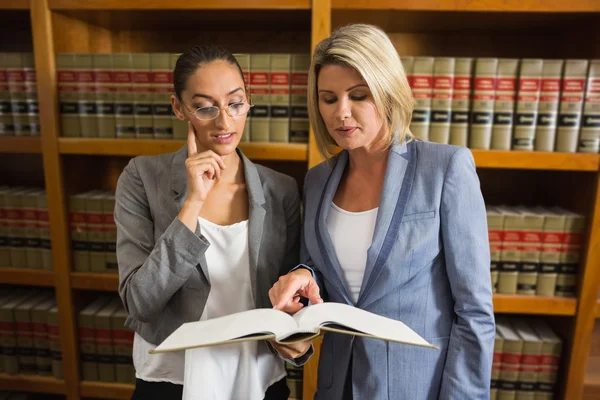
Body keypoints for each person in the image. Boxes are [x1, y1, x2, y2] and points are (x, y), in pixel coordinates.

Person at [269, 24, 495, 399]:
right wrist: (300, 278)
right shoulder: (316, 181)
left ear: (387, 91)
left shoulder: (445, 168)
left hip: (418, 388)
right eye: (328, 98)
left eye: (359, 95)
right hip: (336, 387)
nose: (342, 112)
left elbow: (474, 312)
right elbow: (321, 274)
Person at [115, 44, 307, 400]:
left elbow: (292, 298)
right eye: (205, 107)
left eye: (236, 104)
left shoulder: (280, 189)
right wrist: (193, 202)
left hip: (258, 377)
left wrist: (298, 341)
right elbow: (140, 302)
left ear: (249, 101)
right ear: (178, 107)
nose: (224, 122)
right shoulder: (142, 177)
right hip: (172, 378)